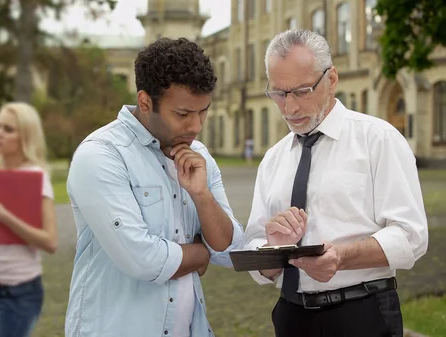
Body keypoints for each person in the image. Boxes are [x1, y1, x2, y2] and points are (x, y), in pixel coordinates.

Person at [242, 29, 428, 337]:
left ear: (331, 79)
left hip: (361, 314)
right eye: (278, 93)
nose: (290, 108)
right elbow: (254, 246)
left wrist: (341, 257)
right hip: (290, 317)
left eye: (302, 91)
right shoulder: (273, 159)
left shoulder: (377, 139)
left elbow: (412, 236)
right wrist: (272, 249)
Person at [64, 37, 244, 337]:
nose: (196, 126)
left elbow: (230, 250)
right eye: (183, 114)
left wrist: (201, 195)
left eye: (204, 111)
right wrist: (202, 253)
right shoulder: (101, 155)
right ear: (145, 102)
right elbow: (143, 261)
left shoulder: (200, 157)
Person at [0, 102, 58, 337]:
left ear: (25, 137)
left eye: (8, 129)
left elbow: (50, 242)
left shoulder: (35, 178)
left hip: (19, 292)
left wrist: (4, 217)